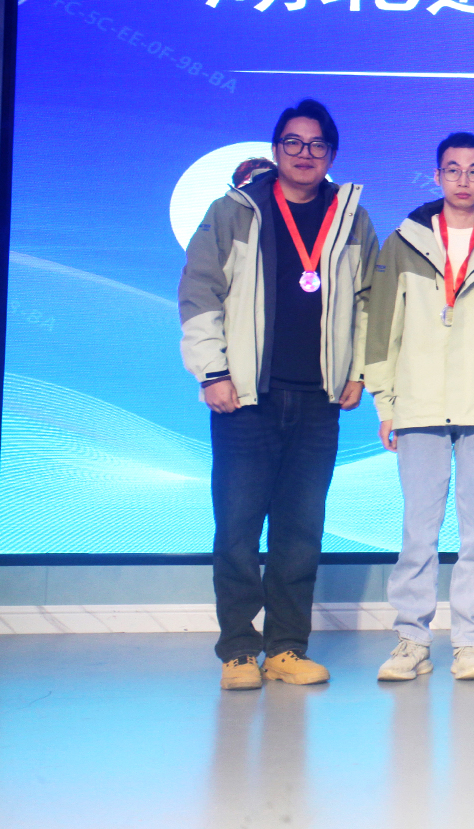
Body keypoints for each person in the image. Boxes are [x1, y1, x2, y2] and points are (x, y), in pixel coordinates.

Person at [178, 99, 379, 691]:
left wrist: (359, 371)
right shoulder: (234, 211)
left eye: (317, 145)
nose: (304, 154)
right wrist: (212, 372)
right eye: (293, 142)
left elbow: (369, 302)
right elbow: (200, 291)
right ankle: (239, 651)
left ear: (331, 154)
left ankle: (287, 647)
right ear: (275, 150)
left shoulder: (351, 218)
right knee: (238, 527)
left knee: (300, 530)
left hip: (318, 399)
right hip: (245, 397)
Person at [363, 132, 474, 683]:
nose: (464, 180)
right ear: (437, 175)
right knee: (418, 531)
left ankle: (469, 641)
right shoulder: (403, 241)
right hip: (418, 403)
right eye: (453, 169)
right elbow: (382, 326)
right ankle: (411, 640)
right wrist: (385, 401)